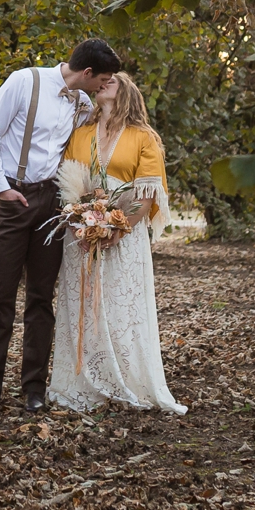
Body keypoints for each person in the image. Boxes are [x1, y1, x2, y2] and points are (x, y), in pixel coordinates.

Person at [0, 38, 123, 417]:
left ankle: (33, 389)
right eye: (104, 79)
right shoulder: (23, 82)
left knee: (40, 300)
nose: (103, 86)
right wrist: (0, 187)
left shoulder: (82, 104)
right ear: (87, 73)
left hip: (53, 205)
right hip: (11, 200)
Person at [48, 73, 187, 414]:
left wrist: (116, 229)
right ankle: (81, 382)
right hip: (79, 236)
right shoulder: (79, 134)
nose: (104, 83)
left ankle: (126, 379)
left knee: (119, 308)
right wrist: (82, 222)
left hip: (124, 236)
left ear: (127, 91)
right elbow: (69, 185)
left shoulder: (143, 137)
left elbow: (148, 194)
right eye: (102, 82)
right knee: (82, 304)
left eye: (113, 80)